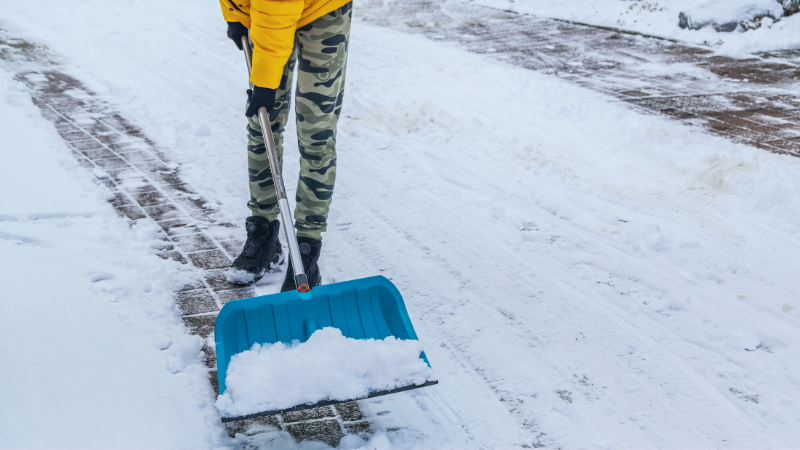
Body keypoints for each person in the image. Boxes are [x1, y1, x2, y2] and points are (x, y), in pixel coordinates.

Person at [218, 0, 352, 291]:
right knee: (262, 123)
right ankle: (263, 234)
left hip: (322, 11)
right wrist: (234, 12)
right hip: (265, 11)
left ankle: (306, 248)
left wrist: (265, 83)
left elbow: (278, 8)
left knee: (316, 131)